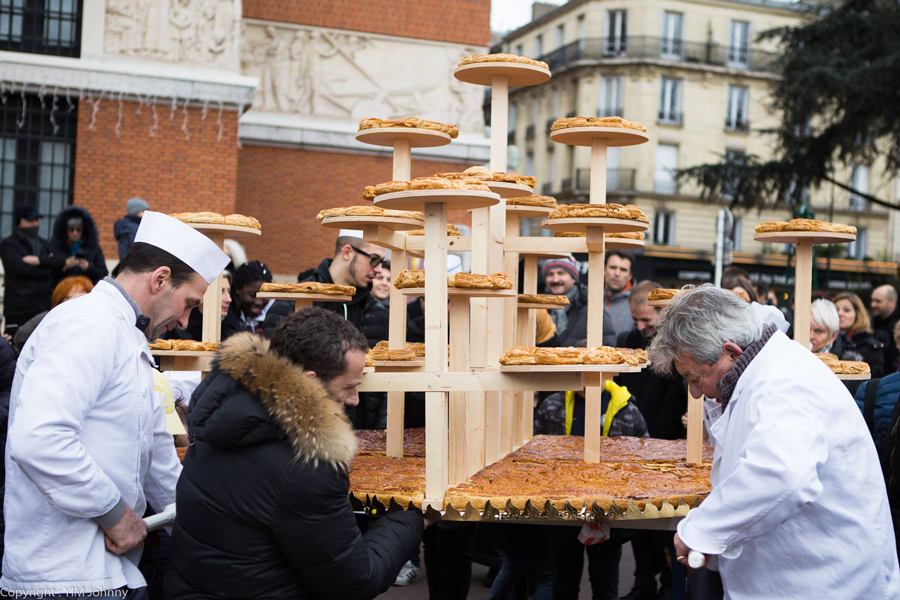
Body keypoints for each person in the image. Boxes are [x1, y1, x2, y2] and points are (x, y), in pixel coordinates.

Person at [2, 211, 228, 598]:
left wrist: (215, 531)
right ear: (159, 279)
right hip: (62, 577)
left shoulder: (127, 336)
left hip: (113, 573)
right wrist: (116, 514)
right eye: (189, 303)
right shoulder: (87, 324)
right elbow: (39, 438)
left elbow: (156, 458)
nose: (186, 321)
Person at [647, 284, 899, 598]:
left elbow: (781, 473)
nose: (695, 393)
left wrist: (701, 532)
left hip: (827, 582)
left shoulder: (785, 382)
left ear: (731, 352)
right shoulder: (762, 374)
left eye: (695, 377)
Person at [165, 308, 424, 598]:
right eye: (349, 387)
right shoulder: (307, 464)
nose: (354, 400)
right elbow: (354, 582)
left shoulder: (220, 417)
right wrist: (412, 518)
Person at [535, 361, 648, 600]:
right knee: (564, 583)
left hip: (608, 511)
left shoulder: (626, 408)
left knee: (605, 583)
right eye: (579, 373)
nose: (585, 381)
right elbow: (535, 454)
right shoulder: (553, 405)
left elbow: (642, 461)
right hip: (562, 510)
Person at [616, 281, 685, 600]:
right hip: (631, 441)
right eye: (636, 320)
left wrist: (655, 439)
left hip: (665, 441)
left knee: (665, 519)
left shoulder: (675, 344)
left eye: (647, 321)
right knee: (636, 518)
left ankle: (670, 580)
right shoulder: (628, 339)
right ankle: (643, 580)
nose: (642, 328)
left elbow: (675, 399)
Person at [0, 205, 65, 335]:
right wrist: (47, 270)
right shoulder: (9, 244)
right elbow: (17, 268)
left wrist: (38, 260)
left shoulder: (43, 244)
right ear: (20, 222)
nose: (35, 224)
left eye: (37, 220)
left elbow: (60, 259)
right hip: (19, 309)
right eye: (31, 220)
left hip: (43, 307)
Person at [541, 257, 615, 347]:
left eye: (561, 273)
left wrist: (586, 350)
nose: (555, 279)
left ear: (574, 278)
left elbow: (608, 341)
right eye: (550, 274)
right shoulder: (539, 308)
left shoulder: (591, 306)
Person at [13, 275, 94, 353]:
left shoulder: (94, 322)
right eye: (76, 298)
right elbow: (22, 336)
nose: (80, 302)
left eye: (85, 297)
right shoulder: (49, 318)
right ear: (60, 300)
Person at [50, 206, 108, 285]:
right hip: (64, 290)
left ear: (83, 231)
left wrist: (88, 268)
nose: (75, 233)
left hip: (87, 290)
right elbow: (51, 274)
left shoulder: (94, 249)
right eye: (71, 229)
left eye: (78, 230)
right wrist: (64, 267)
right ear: (66, 230)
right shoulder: (58, 248)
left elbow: (103, 272)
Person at [166, 272, 232, 341]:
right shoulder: (178, 329)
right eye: (221, 291)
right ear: (202, 293)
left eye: (228, 291)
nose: (228, 299)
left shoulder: (236, 328)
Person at [834, 291, 884, 378]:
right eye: (836, 310)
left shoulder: (871, 347)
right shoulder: (825, 342)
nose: (840, 313)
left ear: (857, 314)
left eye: (847, 310)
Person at [222, 260, 273, 337]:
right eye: (253, 295)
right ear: (238, 289)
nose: (259, 302)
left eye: (264, 297)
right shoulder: (225, 315)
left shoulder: (277, 315)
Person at [604, 250, 635, 337]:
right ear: (603, 270)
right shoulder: (588, 297)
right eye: (613, 267)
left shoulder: (637, 302)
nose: (617, 273)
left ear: (630, 276)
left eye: (623, 270)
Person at [872, 284, 900, 373]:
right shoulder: (872, 323)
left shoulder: (897, 327)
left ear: (892, 302)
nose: (873, 304)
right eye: (872, 300)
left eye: (878, 301)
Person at [114, 197, 149, 261]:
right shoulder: (129, 227)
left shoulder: (138, 225)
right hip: (134, 264)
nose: (146, 213)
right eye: (143, 211)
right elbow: (125, 251)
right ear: (135, 211)